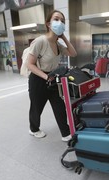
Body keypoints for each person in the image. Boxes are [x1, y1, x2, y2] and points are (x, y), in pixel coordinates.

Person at [26, 10, 77, 141]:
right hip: (38, 78)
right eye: (56, 19)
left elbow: (73, 53)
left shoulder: (58, 44)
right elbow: (29, 64)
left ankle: (65, 133)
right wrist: (46, 77)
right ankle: (34, 129)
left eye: (62, 21)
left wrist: (64, 37)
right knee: (37, 107)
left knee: (59, 106)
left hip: (53, 78)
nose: (60, 22)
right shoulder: (40, 41)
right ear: (48, 24)